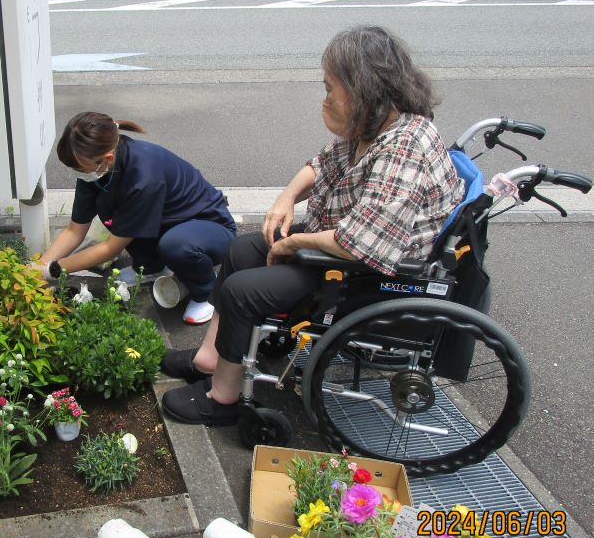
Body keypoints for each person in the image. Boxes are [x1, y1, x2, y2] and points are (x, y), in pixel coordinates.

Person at [160, 25, 465, 424]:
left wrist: (293, 242)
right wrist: (286, 197)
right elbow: (321, 164)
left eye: (329, 88)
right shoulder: (377, 125)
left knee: (241, 291)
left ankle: (224, 396)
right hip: (340, 246)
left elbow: (360, 244)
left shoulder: (403, 145)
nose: (324, 99)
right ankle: (210, 358)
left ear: (361, 90)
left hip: (362, 272)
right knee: (241, 250)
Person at [37, 111, 236, 324]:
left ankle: (207, 292)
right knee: (115, 211)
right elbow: (75, 229)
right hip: (165, 220)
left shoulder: (144, 177)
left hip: (209, 227)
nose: (79, 174)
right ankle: (151, 267)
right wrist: (38, 267)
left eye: (80, 169)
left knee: (175, 245)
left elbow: (111, 248)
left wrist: (53, 270)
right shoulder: (94, 170)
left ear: (107, 159)